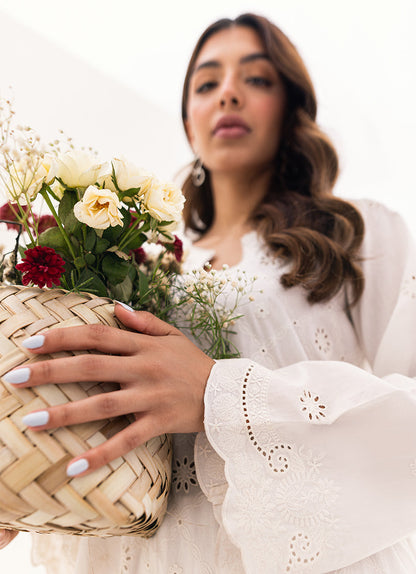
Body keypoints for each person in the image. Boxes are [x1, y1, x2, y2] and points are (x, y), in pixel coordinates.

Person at [2, 12, 416, 573]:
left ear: (291, 107)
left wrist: (222, 397)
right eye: (206, 82)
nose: (228, 94)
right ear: (190, 121)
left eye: (257, 79)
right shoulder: (140, 264)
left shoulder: (356, 234)